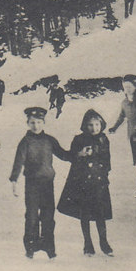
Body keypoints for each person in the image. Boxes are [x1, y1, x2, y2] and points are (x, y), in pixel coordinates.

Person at [9, 107, 72, 260]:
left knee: (48, 217)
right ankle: (30, 247)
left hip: (47, 184)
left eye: (38, 122)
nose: (35, 126)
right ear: (27, 123)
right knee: (31, 217)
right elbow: (19, 162)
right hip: (32, 185)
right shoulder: (25, 142)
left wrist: (78, 154)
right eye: (32, 122)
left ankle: (48, 247)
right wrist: (14, 180)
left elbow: (63, 154)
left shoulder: (49, 140)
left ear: (43, 123)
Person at [57, 109, 114, 256]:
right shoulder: (79, 140)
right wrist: (80, 154)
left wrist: (103, 172)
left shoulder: (104, 139)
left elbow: (107, 160)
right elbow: (71, 157)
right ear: (84, 125)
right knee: (85, 213)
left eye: (97, 124)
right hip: (82, 183)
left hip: (99, 182)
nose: (94, 128)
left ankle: (104, 242)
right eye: (90, 125)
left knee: (100, 213)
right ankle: (87, 243)